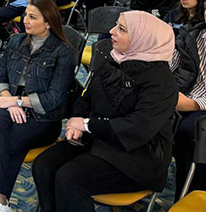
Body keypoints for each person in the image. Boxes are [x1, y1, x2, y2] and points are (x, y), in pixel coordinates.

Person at [33, 11, 178, 212]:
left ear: (142, 38)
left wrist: (87, 125)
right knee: (43, 166)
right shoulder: (115, 60)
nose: (112, 31)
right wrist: (78, 119)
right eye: (116, 25)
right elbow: (88, 97)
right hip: (100, 139)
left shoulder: (161, 81)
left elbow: (139, 128)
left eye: (121, 29)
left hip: (137, 157)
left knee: (69, 178)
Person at [0, 0, 75, 212]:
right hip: (12, 107)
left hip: (44, 118)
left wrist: (16, 101)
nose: (25, 20)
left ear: (48, 22)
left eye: (32, 17)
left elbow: (55, 98)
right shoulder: (16, 41)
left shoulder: (63, 52)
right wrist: (10, 100)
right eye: (26, 15)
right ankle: (0, 203)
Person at [170, 5, 206, 197]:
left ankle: (191, 196)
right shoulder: (192, 34)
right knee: (146, 115)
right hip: (185, 94)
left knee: (190, 132)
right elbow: (172, 64)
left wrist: (193, 104)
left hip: (199, 104)